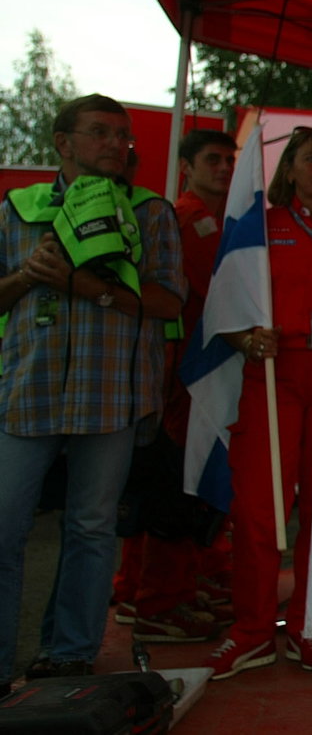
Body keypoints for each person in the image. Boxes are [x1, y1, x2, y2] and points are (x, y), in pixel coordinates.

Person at [0, 94, 184, 684]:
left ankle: (70, 653)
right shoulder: (18, 209)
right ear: (63, 142)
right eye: (100, 133)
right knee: (5, 527)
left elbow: (169, 301)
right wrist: (28, 276)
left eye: (122, 135)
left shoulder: (151, 212)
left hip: (112, 395)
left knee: (90, 527)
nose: (115, 144)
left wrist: (88, 287)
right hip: (25, 392)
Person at [205, 127, 312, 680]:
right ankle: (254, 630)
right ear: (288, 168)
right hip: (272, 375)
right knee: (261, 512)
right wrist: (243, 338)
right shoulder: (262, 227)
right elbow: (225, 303)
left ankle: (309, 625)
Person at [116, 129, 239, 645]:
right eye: (213, 160)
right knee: (180, 481)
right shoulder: (183, 219)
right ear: (186, 166)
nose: (224, 169)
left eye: (229, 160)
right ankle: (159, 599)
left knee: (179, 479)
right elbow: (215, 295)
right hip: (188, 371)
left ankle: (143, 587)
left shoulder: (219, 220)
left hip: (198, 369)